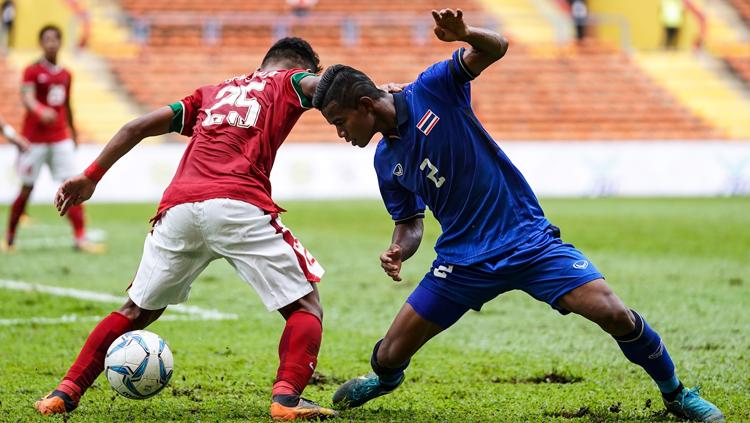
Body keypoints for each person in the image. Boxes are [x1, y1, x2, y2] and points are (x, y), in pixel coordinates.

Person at [312, 9, 724, 422]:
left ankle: (677, 394)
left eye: (340, 122)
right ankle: (384, 380)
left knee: (614, 312)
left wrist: (466, 33)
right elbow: (410, 223)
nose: (340, 133)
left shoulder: (432, 90)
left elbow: (496, 48)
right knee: (388, 354)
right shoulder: (386, 161)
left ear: (365, 105)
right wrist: (399, 249)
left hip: (527, 241)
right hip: (461, 261)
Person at [34, 37, 337, 421]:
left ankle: (65, 391)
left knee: (135, 310)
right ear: (301, 68)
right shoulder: (290, 81)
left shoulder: (212, 93)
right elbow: (324, 88)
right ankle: (286, 400)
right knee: (305, 305)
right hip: (237, 203)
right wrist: (379, 94)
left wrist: (90, 176)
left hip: (177, 208)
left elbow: (136, 126)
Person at [4, 25, 100, 253]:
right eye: (47, 39)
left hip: (59, 139)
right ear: (41, 43)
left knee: (72, 186)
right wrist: (39, 110)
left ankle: (80, 238)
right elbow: (26, 97)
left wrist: (73, 132)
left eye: (55, 39)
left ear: (60, 42)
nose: (51, 44)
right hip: (33, 140)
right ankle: (9, 239)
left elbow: (67, 106)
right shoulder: (31, 71)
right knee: (26, 188)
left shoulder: (66, 74)